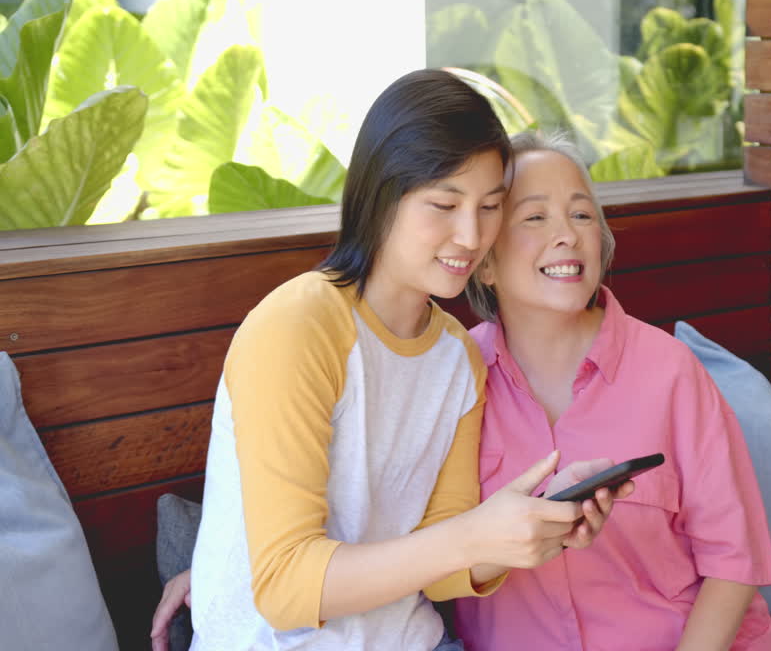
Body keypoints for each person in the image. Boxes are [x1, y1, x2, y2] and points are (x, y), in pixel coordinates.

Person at [169, 71, 627, 651]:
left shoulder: (458, 357)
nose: (471, 235)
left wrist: (531, 527)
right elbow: (284, 587)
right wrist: (471, 538)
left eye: (490, 207)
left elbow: (438, 570)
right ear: (382, 195)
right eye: (444, 204)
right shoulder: (300, 325)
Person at [454, 131, 771, 650]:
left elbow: (733, 562)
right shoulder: (454, 381)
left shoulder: (671, 371)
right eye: (535, 217)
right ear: (485, 261)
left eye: (582, 215)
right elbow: (431, 559)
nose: (567, 234)